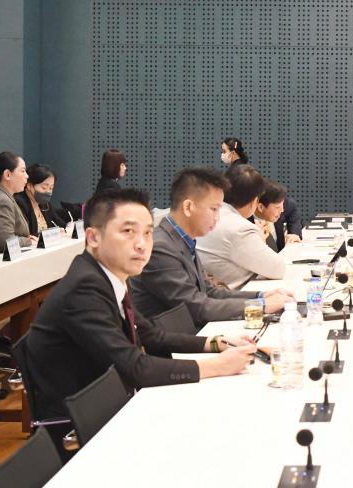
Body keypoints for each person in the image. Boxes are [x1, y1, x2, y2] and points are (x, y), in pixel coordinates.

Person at [24, 189, 258, 456]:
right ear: (93, 237)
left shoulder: (105, 275)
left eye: (147, 232)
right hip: (84, 435)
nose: (142, 244)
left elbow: (152, 335)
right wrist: (218, 366)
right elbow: (136, 368)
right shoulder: (84, 288)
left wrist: (216, 343)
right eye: (128, 231)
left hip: (112, 410)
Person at [130, 168, 292, 327]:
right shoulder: (161, 248)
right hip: (178, 339)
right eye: (214, 209)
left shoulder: (182, 239)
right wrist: (262, 305)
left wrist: (261, 296)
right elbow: (196, 307)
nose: (217, 217)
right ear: (188, 207)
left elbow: (210, 292)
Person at [198, 166, 287, 287]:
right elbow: (277, 268)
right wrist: (260, 241)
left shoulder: (208, 215)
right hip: (235, 293)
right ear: (254, 201)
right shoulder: (240, 228)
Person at [15, 163, 64, 235]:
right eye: (44, 188)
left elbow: (60, 223)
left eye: (51, 188)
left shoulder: (45, 204)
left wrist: (67, 228)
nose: (48, 192)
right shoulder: (19, 203)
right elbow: (26, 234)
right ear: (29, 186)